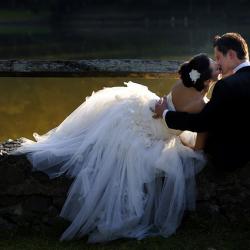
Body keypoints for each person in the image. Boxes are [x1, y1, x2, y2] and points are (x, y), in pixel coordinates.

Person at [10, 54, 220, 243]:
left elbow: (173, 112)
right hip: (151, 134)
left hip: (144, 112)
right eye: (215, 66)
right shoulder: (200, 105)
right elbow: (194, 140)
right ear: (207, 79)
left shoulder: (181, 84)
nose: (219, 67)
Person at [153, 32, 250, 171]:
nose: (218, 63)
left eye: (218, 57)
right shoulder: (231, 83)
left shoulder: (226, 86)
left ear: (231, 55)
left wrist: (165, 114)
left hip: (228, 158)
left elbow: (202, 123)